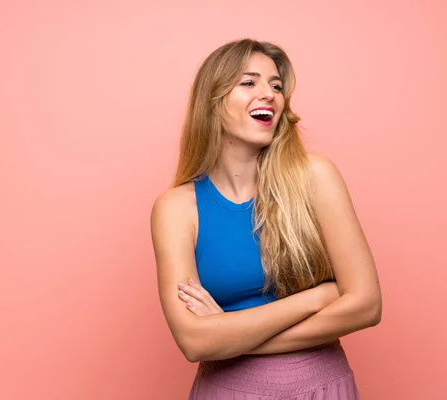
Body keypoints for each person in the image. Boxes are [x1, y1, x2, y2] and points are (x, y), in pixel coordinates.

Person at [150, 38, 382, 399]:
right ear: (212, 102)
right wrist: (317, 297)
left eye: (276, 86)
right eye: (249, 82)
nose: (270, 94)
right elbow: (195, 342)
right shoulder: (176, 208)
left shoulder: (315, 177)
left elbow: (366, 305)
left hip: (321, 388)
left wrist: (228, 336)